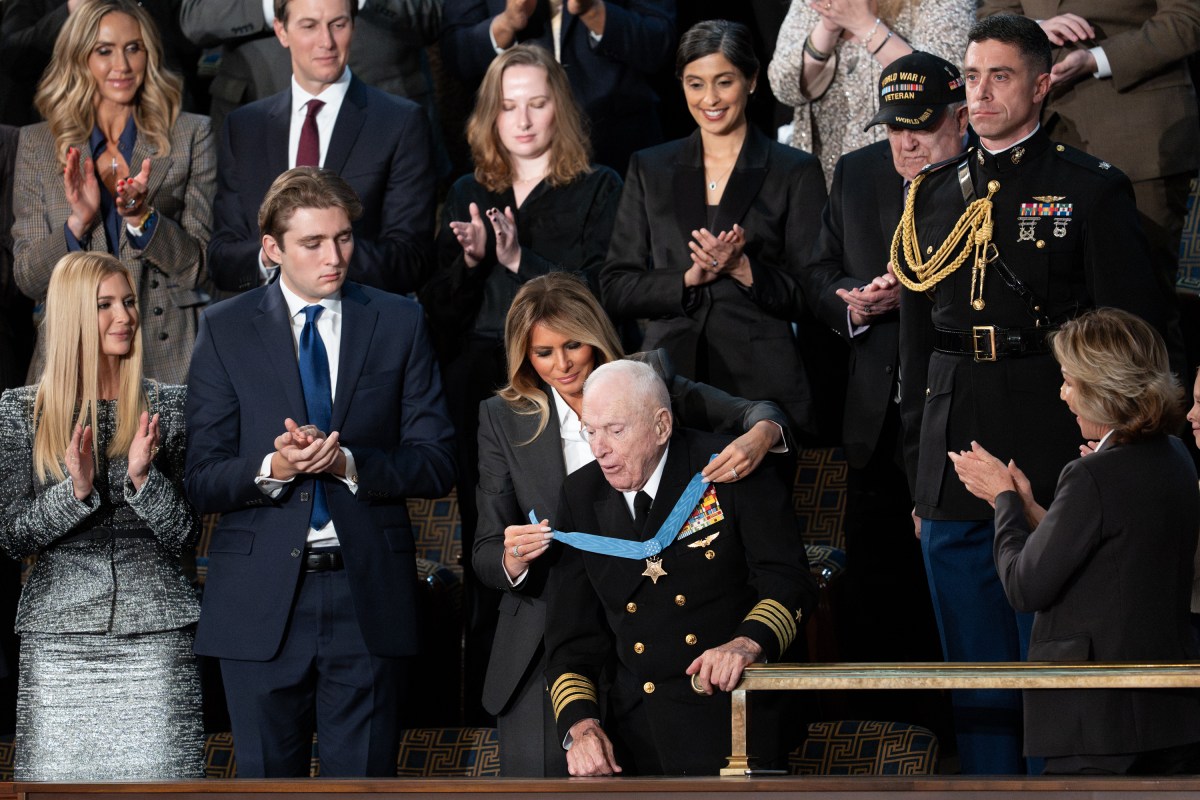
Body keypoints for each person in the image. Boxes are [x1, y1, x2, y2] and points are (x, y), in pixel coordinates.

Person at [891, 14, 1170, 774]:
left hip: (1053, 435)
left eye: (1001, 76)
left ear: (1042, 84)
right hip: (954, 440)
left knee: (1051, 657)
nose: (980, 94)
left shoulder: (1090, 189)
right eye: (972, 78)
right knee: (976, 673)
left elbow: (1130, 340)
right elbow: (917, 353)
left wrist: (1112, 449)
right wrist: (921, 474)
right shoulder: (930, 194)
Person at [185, 167, 455, 778]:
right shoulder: (224, 329)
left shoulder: (398, 320)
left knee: (360, 790)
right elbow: (201, 478)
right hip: (257, 602)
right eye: (313, 243)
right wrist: (272, 468)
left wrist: (350, 464)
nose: (334, 257)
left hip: (367, 598)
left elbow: (436, 461)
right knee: (264, 790)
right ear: (272, 249)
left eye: (343, 238)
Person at [475, 271, 791, 776]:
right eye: (543, 353)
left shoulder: (656, 386)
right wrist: (512, 555)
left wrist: (764, 432)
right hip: (560, 633)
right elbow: (489, 550)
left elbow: (752, 415)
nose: (562, 364)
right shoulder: (519, 435)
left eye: (573, 344)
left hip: (703, 682)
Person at [421, 43, 624, 721]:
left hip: (567, 384)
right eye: (509, 106)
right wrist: (477, 263)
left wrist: (519, 260)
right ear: (490, 114)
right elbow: (438, 313)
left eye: (537, 103)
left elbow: (601, 301)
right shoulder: (465, 190)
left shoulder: (597, 188)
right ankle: (497, 699)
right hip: (483, 378)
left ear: (558, 108)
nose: (524, 118)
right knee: (494, 539)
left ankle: (590, 687)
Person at [950, 308, 1200, 775]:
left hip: (1098, 723)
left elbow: (1025, 587)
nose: (1063, 394)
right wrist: (1030, 508)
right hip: (1170, 715)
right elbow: (1110, 557)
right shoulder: (1175, 454)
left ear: (1103, 388)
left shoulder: (1092, 475)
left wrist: (1003, 500)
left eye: (1069, 381)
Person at [542, 359, 817, 776]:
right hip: (636, 733)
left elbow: (790, 581)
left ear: (661, 425)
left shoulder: (728, 469)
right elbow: (572, 639)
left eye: (615, 430)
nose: (599, 449)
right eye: (590, 430)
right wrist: (581, 727)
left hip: (732, 717)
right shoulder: (581, 494)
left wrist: (747, 642)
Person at [802, 50, 966, 718]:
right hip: (873, 426)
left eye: (920, 127)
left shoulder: (981, 181)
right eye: (894, 125)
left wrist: (919, 294)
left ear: (959, 120)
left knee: (954, 594)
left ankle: (969, 739)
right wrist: (852, 302)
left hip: (955, 426)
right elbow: (816, 272)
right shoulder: (856, 171)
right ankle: (897, 740)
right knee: (881, 590)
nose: (904, 142)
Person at [0, 251, 203, 780]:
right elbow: (12, 536)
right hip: (58, 640)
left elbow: (186, 533)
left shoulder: (169, 405)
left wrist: (142, 478)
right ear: (72, 318)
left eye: (129, 302)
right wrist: (76, 489)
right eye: (106, 305)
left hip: (155, 638)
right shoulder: (22, 411)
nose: (126, 317)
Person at [601, 19, 827, 437]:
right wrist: (686, 278)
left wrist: (744, 269)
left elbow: (814, 294)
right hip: (667, 389)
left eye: (724, 82)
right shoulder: (649, 167)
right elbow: (615, 286)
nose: (710, 99)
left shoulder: (794, 171)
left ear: (752, 80)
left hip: (762, 390)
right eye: (695, 84)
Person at [12, 0, 215, 386]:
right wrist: (77, 223)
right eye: (104, 51)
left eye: (133, 48)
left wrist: (144, 220)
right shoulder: (38, 144)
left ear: (149, 55)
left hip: (167, 361)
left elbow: (199, 268)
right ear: (79, 57)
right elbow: (29, 278)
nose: (122, 65)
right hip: (71, 363)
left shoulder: (190, 135)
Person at [977, 2, 1200, 328]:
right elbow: (993, 12)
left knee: (1142, 315)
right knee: (1049, 304)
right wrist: (1033, 30)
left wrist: (1097, 58)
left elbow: (1188, 16)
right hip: (1039, 133)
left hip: (1137, 135)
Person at [206, 0, 436, 295]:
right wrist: (272, 257)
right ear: (281, 31)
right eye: (309, 26)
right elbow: (223, 258)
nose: (326, 42)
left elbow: (411, 259)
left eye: (338, 24)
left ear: (353, 26)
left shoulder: (399, 122)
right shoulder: (245, 127)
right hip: (266, 326)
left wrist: (318, 252)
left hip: (358, 322)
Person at [441, 0, 676, 174]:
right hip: (514, 159)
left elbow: (658, 45)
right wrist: (507, 23)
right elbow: (456, 56)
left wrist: (593, 11)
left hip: (618, 146)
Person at [767, 0, 973, 186]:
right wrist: (828, 27)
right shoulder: (811, 4)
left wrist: (863, 25)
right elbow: (784, 89)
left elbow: (949, 79)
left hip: (908, 168)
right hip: (826, 175)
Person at [179, 0, 442, 136]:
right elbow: (195, 19)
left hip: (385, 118)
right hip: (262, 112)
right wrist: (283, 5)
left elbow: (433, 14)